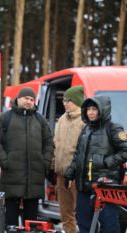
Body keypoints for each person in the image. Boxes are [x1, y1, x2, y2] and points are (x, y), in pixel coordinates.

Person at [0, 87, 54, 227]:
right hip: (11, 177)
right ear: (18, 99)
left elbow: (49, 143)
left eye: (31, 99)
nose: (28, 102)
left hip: (34, 179)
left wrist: (45, 163)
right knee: (10, 221)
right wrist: (5, 162)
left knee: (32, 223)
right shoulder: (5, 118)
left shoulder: (40, 120)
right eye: (26, 98)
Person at [65, 96, 127, 233]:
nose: (90, 112)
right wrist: (70, 172)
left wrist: (106, 162)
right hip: (84, 187)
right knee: (83, 223)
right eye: (88, 109)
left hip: (105, 188)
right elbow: (78, 154)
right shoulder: (85, 129)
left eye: (94, 109)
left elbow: (125, 150)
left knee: (109, 225)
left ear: (102, 110)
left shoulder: (113, 128)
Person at [53, 85, 85, 233]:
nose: (65, 103)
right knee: (65, 214)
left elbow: (84, 150)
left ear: (77, 101)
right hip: (61, 174)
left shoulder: (84, 121)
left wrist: (75, 170)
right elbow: (56, 144)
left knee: (83, 213)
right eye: (64, 100)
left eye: (69, 100)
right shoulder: (61, 120)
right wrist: (53, 166)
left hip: (77, 176)